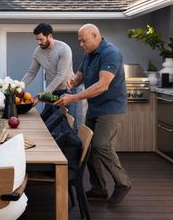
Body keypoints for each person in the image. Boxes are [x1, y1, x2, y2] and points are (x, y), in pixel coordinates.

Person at [54, 23, 131, 205]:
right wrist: (74, 80)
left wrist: (74, 98)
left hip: (111, 108)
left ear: (95, 36)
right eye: (79, 41)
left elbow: (102, 85)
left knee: (100, 145)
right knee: (88, 147)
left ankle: (123, 183)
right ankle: (99, 188)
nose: (80, 44)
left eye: (83, 40)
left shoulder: (110, 53)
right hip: (95, 106)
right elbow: (81, 73)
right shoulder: (89, 53)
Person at [21, 23, 77, 124]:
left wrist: (43, 95)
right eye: (37, 40)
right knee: (46, 122)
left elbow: (60, 75)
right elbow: (31, 72)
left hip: (67, 92)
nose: (39, 42)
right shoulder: (37, 52)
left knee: (68, 124)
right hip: (51, 92)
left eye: (41, 39)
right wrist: (18, 87)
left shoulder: (64, 49)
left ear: (50, 36)